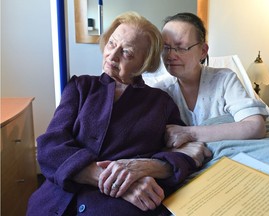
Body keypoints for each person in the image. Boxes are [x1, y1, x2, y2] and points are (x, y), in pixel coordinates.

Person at [27, 12, 211, 216]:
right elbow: (50, 148)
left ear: (145, 62)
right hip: (56, 201)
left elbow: (181, 157)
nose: (112, 56)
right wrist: (115, 182)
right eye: (112, 44)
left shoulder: (160, 103)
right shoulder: (80, 87)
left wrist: (144, 169)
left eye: (127, 53)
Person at [155, 12, 268, 148]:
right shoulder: (160, 91)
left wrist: (190, 133)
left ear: (203, 51)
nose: (170, 55)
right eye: (165, 48)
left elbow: (256, 127)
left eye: (181, 47)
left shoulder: (225, 80)